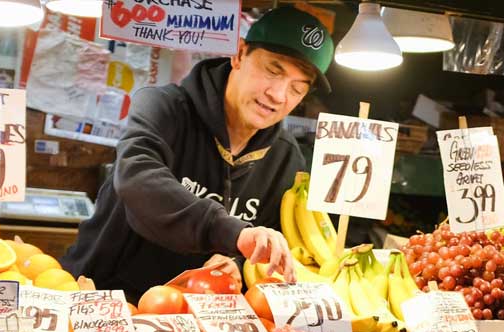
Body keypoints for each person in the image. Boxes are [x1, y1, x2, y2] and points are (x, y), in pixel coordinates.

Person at [64, 7, 333, 302]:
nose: (279, 95)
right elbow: (137, 178)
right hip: (102, 299)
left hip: (198, 324)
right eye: (273, 70)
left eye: (297, 88)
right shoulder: (163, 107)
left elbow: (269, 245)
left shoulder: (286, 160)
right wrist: (234, 233)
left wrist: (239, 264)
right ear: (240, 54)